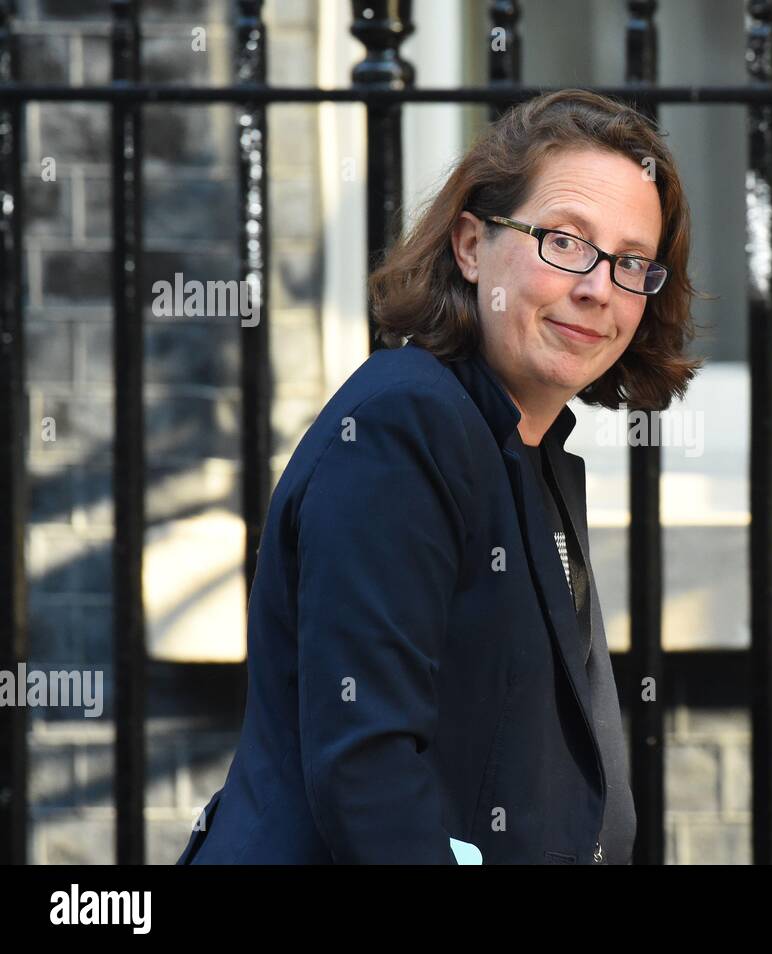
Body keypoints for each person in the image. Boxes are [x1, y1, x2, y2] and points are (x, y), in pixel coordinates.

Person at [175, 88, 702, 864]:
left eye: (631, 263)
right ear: (469, 246)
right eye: (563, 241)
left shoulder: (526, 445)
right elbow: (369, 772)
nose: (597, 287)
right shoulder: (404, 426)